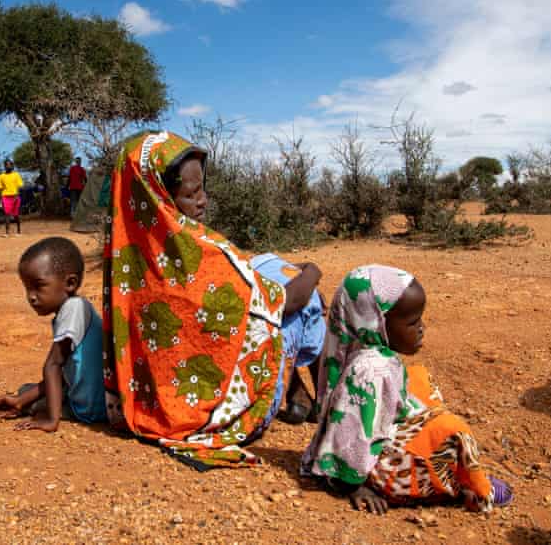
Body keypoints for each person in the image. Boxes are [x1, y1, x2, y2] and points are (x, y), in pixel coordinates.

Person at [102, 131, 325, 468]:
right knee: (306, 296)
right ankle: (324, 402)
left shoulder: (132, 259)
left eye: (202, 188)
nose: (203, 200)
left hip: (154, 408)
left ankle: (298, 392)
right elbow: (289, 301)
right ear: (159, 196)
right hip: (224, 414)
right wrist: (312, 270)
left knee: (264, 263)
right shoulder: (205, 259)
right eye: (191, 194)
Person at [301, 265, 513, 513]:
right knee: (453, 430)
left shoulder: (371, 351)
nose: (421, 328)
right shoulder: (370, 370)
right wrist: (353, 485)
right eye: (412, 322)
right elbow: (351, 435)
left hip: (377, 435)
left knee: (419, 378)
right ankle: (468, 485)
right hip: (377, 467)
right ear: (375, 322)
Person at [0, 237, 106, 431]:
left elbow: (53, 366)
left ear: (70, 283)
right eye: (27, 288)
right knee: (26, 392)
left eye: (39, 286)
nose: (31, 296)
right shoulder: (75, 309)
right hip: (89, 397)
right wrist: (20, 400)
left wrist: (51, 420)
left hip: (90, 408)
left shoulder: (74, 308)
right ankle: (25, 404)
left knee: (31, 396)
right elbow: (61, 374)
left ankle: (50, 414)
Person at [0, 159, 23, 236]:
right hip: (5, 197)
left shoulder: (16, 175)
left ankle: (18, 231)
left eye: (9, 164)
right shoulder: (1, 176)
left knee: (16, 215)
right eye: (6, 165)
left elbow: (20, 186)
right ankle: (7, 232)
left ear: (12, 166)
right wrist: (0, 199)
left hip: (15, 196)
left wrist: (17, 195)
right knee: (7, 214)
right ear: (4, 166)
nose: (8, 166)